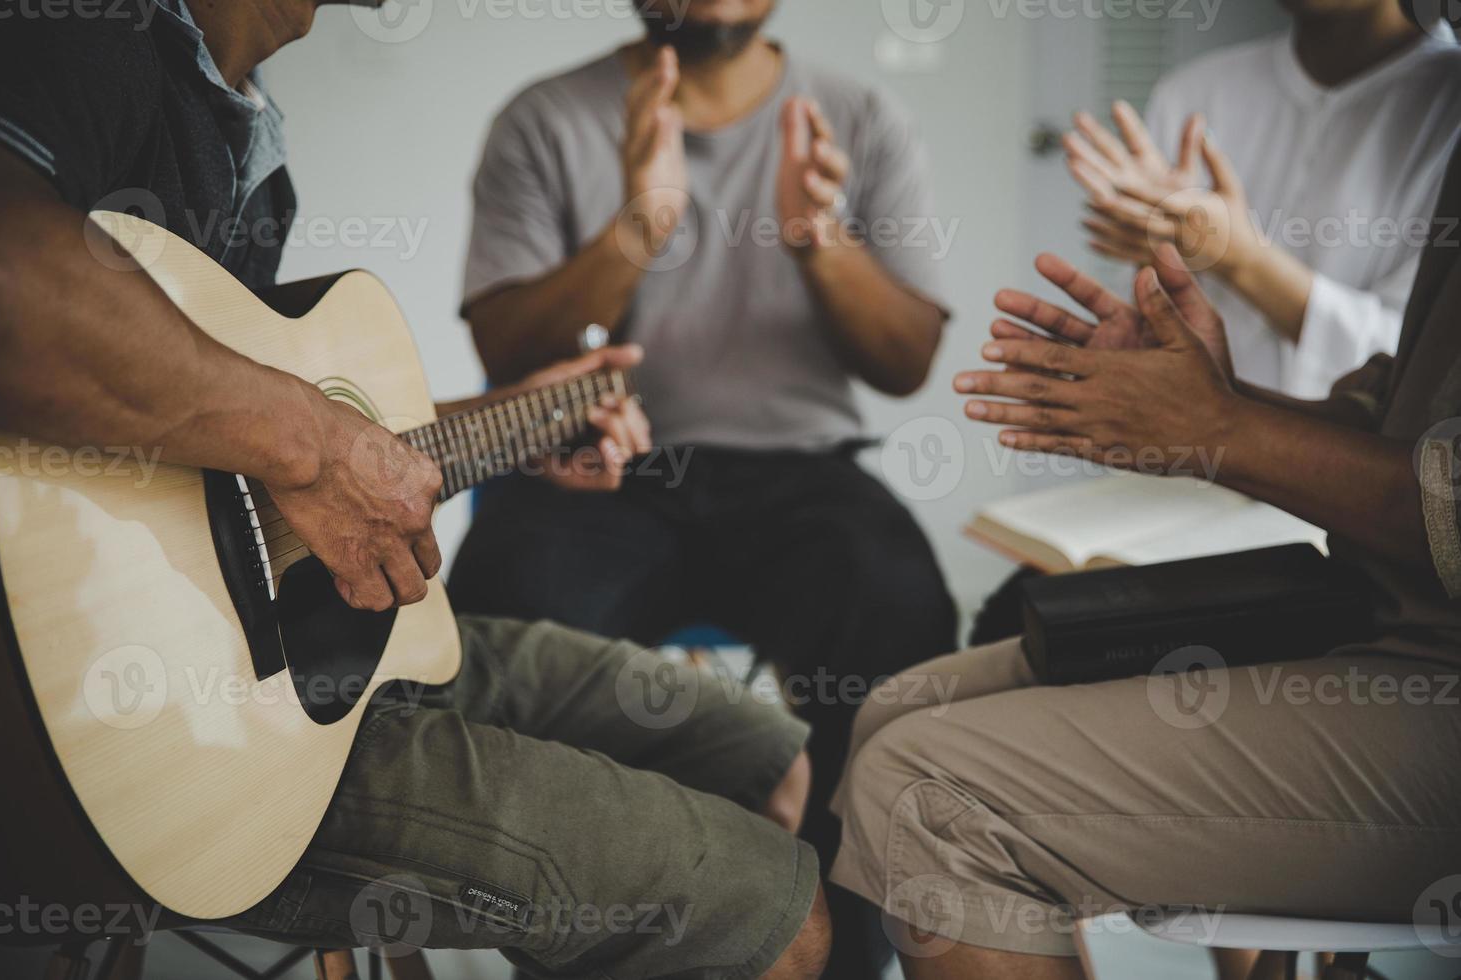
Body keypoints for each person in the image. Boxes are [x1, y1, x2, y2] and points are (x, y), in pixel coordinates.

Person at [0, 2, 832, 976]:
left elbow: (222, 445)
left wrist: (507, 422)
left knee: (769, 757)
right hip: (193, 736)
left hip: (340, 656)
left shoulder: (252, 155)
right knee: (780, 912)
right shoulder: (80, 35)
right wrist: (315, 447)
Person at [828, 165, 1461, 976]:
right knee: (899, 708)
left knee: (929, 796)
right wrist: (1216, 397)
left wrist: (1222, 430)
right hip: (1368, 607)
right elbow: (1397, 419)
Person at [449, 1, 958, 971]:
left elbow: (906, 359)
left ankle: (833, 955)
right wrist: (637, 227)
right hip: (593, 474)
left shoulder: (861, 114)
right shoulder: (546, 118)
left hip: (801, 477)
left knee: (898, 617)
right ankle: (590, 946)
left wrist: (820, 239)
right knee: (500, 625)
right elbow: (506, 352)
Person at [1063, 0, 1461, 399]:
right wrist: (1162, 255)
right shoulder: (1195, 92)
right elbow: (1153, 316)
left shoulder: (1448, 112)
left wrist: (1240, 257)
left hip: (1357, 454)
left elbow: (1423, 367)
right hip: (1188, 442)